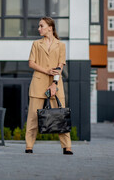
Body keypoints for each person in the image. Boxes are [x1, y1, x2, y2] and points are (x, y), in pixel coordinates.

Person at [25, 17, 73, 155]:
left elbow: (60, 66)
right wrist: (46, 71)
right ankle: (29, 146)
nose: (39, 28)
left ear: (50, 27)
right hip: (38, 83)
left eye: (41, 26)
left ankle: (67, 146)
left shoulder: (61, 45)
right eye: (39, 26)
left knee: (61, 115)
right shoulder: (36, 44)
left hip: (56, 86)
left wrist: (54, 84)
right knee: (33, 117)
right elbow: (31, 63)